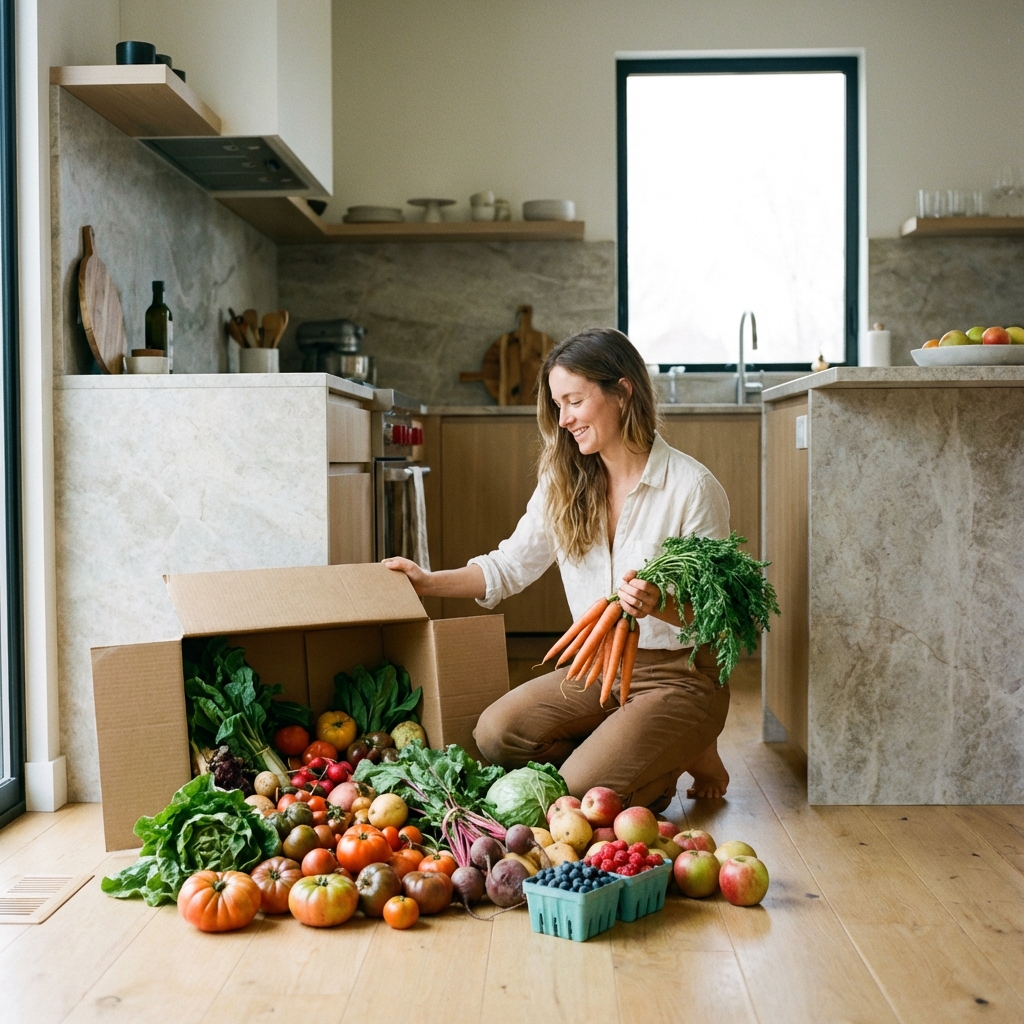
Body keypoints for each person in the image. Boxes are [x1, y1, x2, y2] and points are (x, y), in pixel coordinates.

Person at [384, 327, 731, 810]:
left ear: (623, 391)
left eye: (574, 401)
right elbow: (508, 567)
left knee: (577, 796)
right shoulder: (563, 479)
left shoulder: (692, 487)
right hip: (598, 670)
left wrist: (660, 605)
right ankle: (635, 748)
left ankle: (683, 743)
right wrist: (426, 581)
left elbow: (718, 622)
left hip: (680, 675)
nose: (564, 419)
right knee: (495, 734)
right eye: (558, 405)